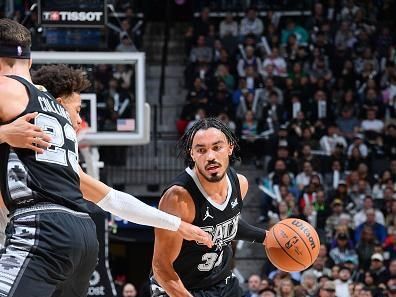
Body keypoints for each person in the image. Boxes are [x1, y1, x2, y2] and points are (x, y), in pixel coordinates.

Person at [0, 18, 212, 297]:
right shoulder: (55, 116)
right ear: (29, 59)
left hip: (42, 229)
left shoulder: (7, 89)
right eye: (78, 111)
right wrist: (176, 224)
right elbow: (111, 198)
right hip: (82, 235)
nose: (79, 120)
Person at [151, 118, 268, 296]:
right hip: (179, 287)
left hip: (221, 282)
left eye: (216, 147)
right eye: (201, 150)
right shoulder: (179, 198)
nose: (210, 156)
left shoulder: (239, 184)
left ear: (230, 147)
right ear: (192, 154)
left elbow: (226, 224)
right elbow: (161, 266)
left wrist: (267, 237)